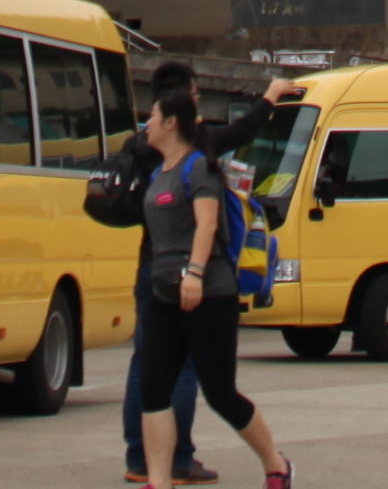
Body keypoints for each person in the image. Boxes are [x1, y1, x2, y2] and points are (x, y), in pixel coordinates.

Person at [113, 64, 300, 488]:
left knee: (220, 394)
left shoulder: (199, 167)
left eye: (153, 118)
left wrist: (195, 273)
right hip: (163, 294)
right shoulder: (157, 168)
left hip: (206, 293)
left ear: (171, 122)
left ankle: (276, 464)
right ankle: (158, 480)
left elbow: (207, 225)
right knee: (154, 388)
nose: (147, 127)